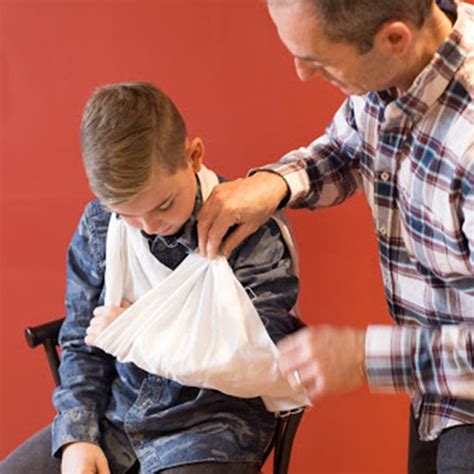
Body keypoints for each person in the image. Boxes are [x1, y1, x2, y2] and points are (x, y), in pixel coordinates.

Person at [197, 0, 474, 472]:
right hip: (434, 388)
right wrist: (278, 182)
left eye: (320, 62)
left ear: (393, 38)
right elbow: (354, 143)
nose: (302, 74)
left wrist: (361, 357)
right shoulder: (400, 61)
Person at [0, 82, 304, 474]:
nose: (147, 227)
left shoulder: (249, 231)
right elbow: (80, 342)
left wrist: (139, 336)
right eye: (127, 213)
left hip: (212, 426)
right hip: (117, 417)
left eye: (162, 205)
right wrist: (77, 434)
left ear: (193, 156)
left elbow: (260, 357)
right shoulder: (99, 226)